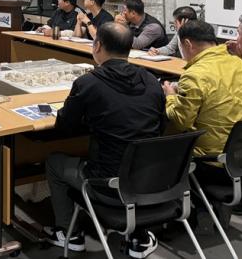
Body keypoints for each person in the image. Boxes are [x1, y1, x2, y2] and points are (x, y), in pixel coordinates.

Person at [44, 22, 165, 257]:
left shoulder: (87, 83)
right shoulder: (152, 81)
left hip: (107, 183)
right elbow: (160, 126)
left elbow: (64, 126)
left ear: (97, 45)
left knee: (54, 162)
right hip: (148, 179)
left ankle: (68, 232)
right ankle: (139, 237)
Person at [163, 20, 242, 163]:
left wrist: (170, 96)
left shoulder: (194, 75)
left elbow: (181, 122)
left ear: (188, 44)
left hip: (211, 159)